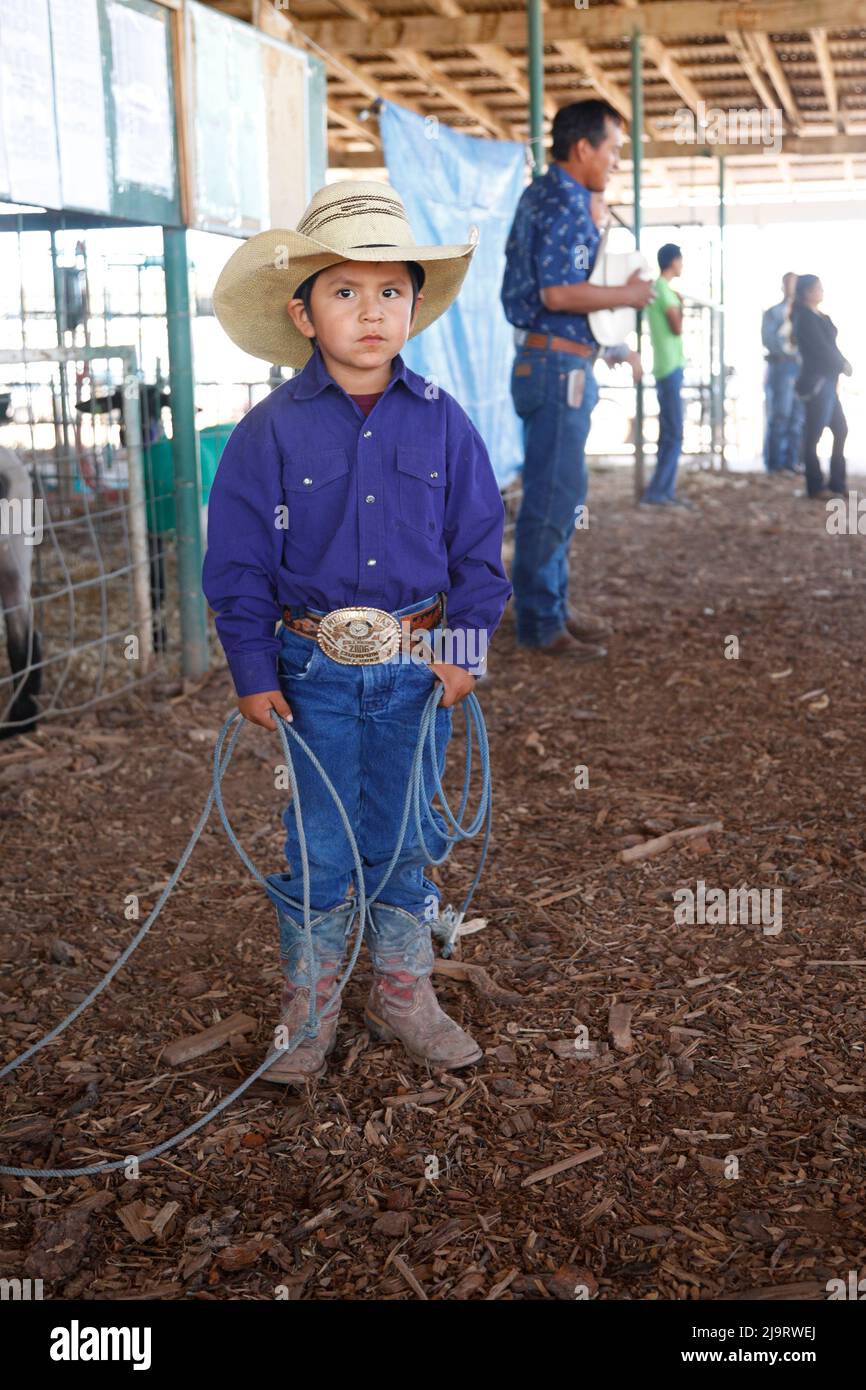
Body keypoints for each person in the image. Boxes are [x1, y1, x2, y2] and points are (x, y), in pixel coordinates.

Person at [202, 181, 511, 1084]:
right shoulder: (265, 437)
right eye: (345, 292)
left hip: (419, 669)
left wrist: (461, 658)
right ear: (302, 312)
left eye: (390, 292)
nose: (370, 312)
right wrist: (254, 668)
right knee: (322, 838)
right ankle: (312, 998)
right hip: (312, 670)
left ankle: (403, 987)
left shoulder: (447, 425)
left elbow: (478, 556)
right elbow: (239, 566)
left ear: (415, 306)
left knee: (408, 828)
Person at [501, 99, 654, 659]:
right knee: (555, 492)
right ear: (583, 147)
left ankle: (552, 604)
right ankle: (541, 622)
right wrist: (628, 296)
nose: (616, 160)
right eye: (613, 148)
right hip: (556, 364)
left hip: (557, 359)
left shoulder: (553, 197)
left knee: (560, 490)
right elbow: (558, 294)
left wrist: (603, 340)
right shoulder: (564, 200)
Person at [791, 274, 853, 499]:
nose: (822, 291)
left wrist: (844, 362)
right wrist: (841, 364)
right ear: (807, 291)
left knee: (841, 429)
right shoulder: (803, 318)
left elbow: (831, 346)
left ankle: (837, 482)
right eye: (818, 288)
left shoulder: (821, 316)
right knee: (813, 436)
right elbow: (820, 349)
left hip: (829, 381)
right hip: (817, 382)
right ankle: (815, 486)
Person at [641, 243, 691, 508]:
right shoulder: (664, 290)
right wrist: (680, 306)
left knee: (669, 432)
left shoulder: (656, 289)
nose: (682, 265)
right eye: (681, 261)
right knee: (674, 434)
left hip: (665, 366)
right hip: (670, 367)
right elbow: (676, 327)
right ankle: (659, 492)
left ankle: (662, 489)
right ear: (673, 261)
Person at [762, 272, 804, 474]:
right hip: (781, 366)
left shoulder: (804, 314)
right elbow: (770, 341)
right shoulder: (773, 312)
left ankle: (791, 462)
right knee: (780, 414)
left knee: (797, 416)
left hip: (800, 367)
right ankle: (775, 464)